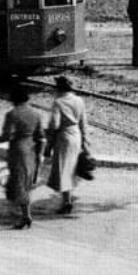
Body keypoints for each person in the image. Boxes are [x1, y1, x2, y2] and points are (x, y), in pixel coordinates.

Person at [0, 83, 46, 229]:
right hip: (32, 151)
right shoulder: (37, 114)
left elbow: (7, 135)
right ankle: (25, 215)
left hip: (18, 151)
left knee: (19, 183)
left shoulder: (12, 114)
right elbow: (41, 136)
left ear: (14, 100)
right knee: (26, 183)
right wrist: (40, 155)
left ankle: (25, 216)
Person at [46, 76, 89, 215]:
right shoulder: (79, 100)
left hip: (64, 138)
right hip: (76, 135)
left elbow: (54, 124)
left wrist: (48, 144)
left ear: (58, 88)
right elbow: (83, 122)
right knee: (71, 169)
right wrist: (85, 142)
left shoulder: (58, 102)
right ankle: (68, 199)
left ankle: (67, 202)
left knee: (64, 170)